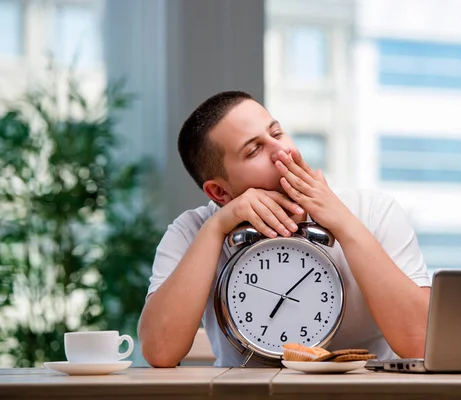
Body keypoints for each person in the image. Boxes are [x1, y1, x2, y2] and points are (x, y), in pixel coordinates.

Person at [138, 91, 431, 368]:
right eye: (254, 150)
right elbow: (160, 351)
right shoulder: (191, 231)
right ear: (218, 192)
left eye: (277, 133)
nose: (283, 150)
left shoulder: (374, 211)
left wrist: (343, 222)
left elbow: (421, 342)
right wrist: (216, 228)